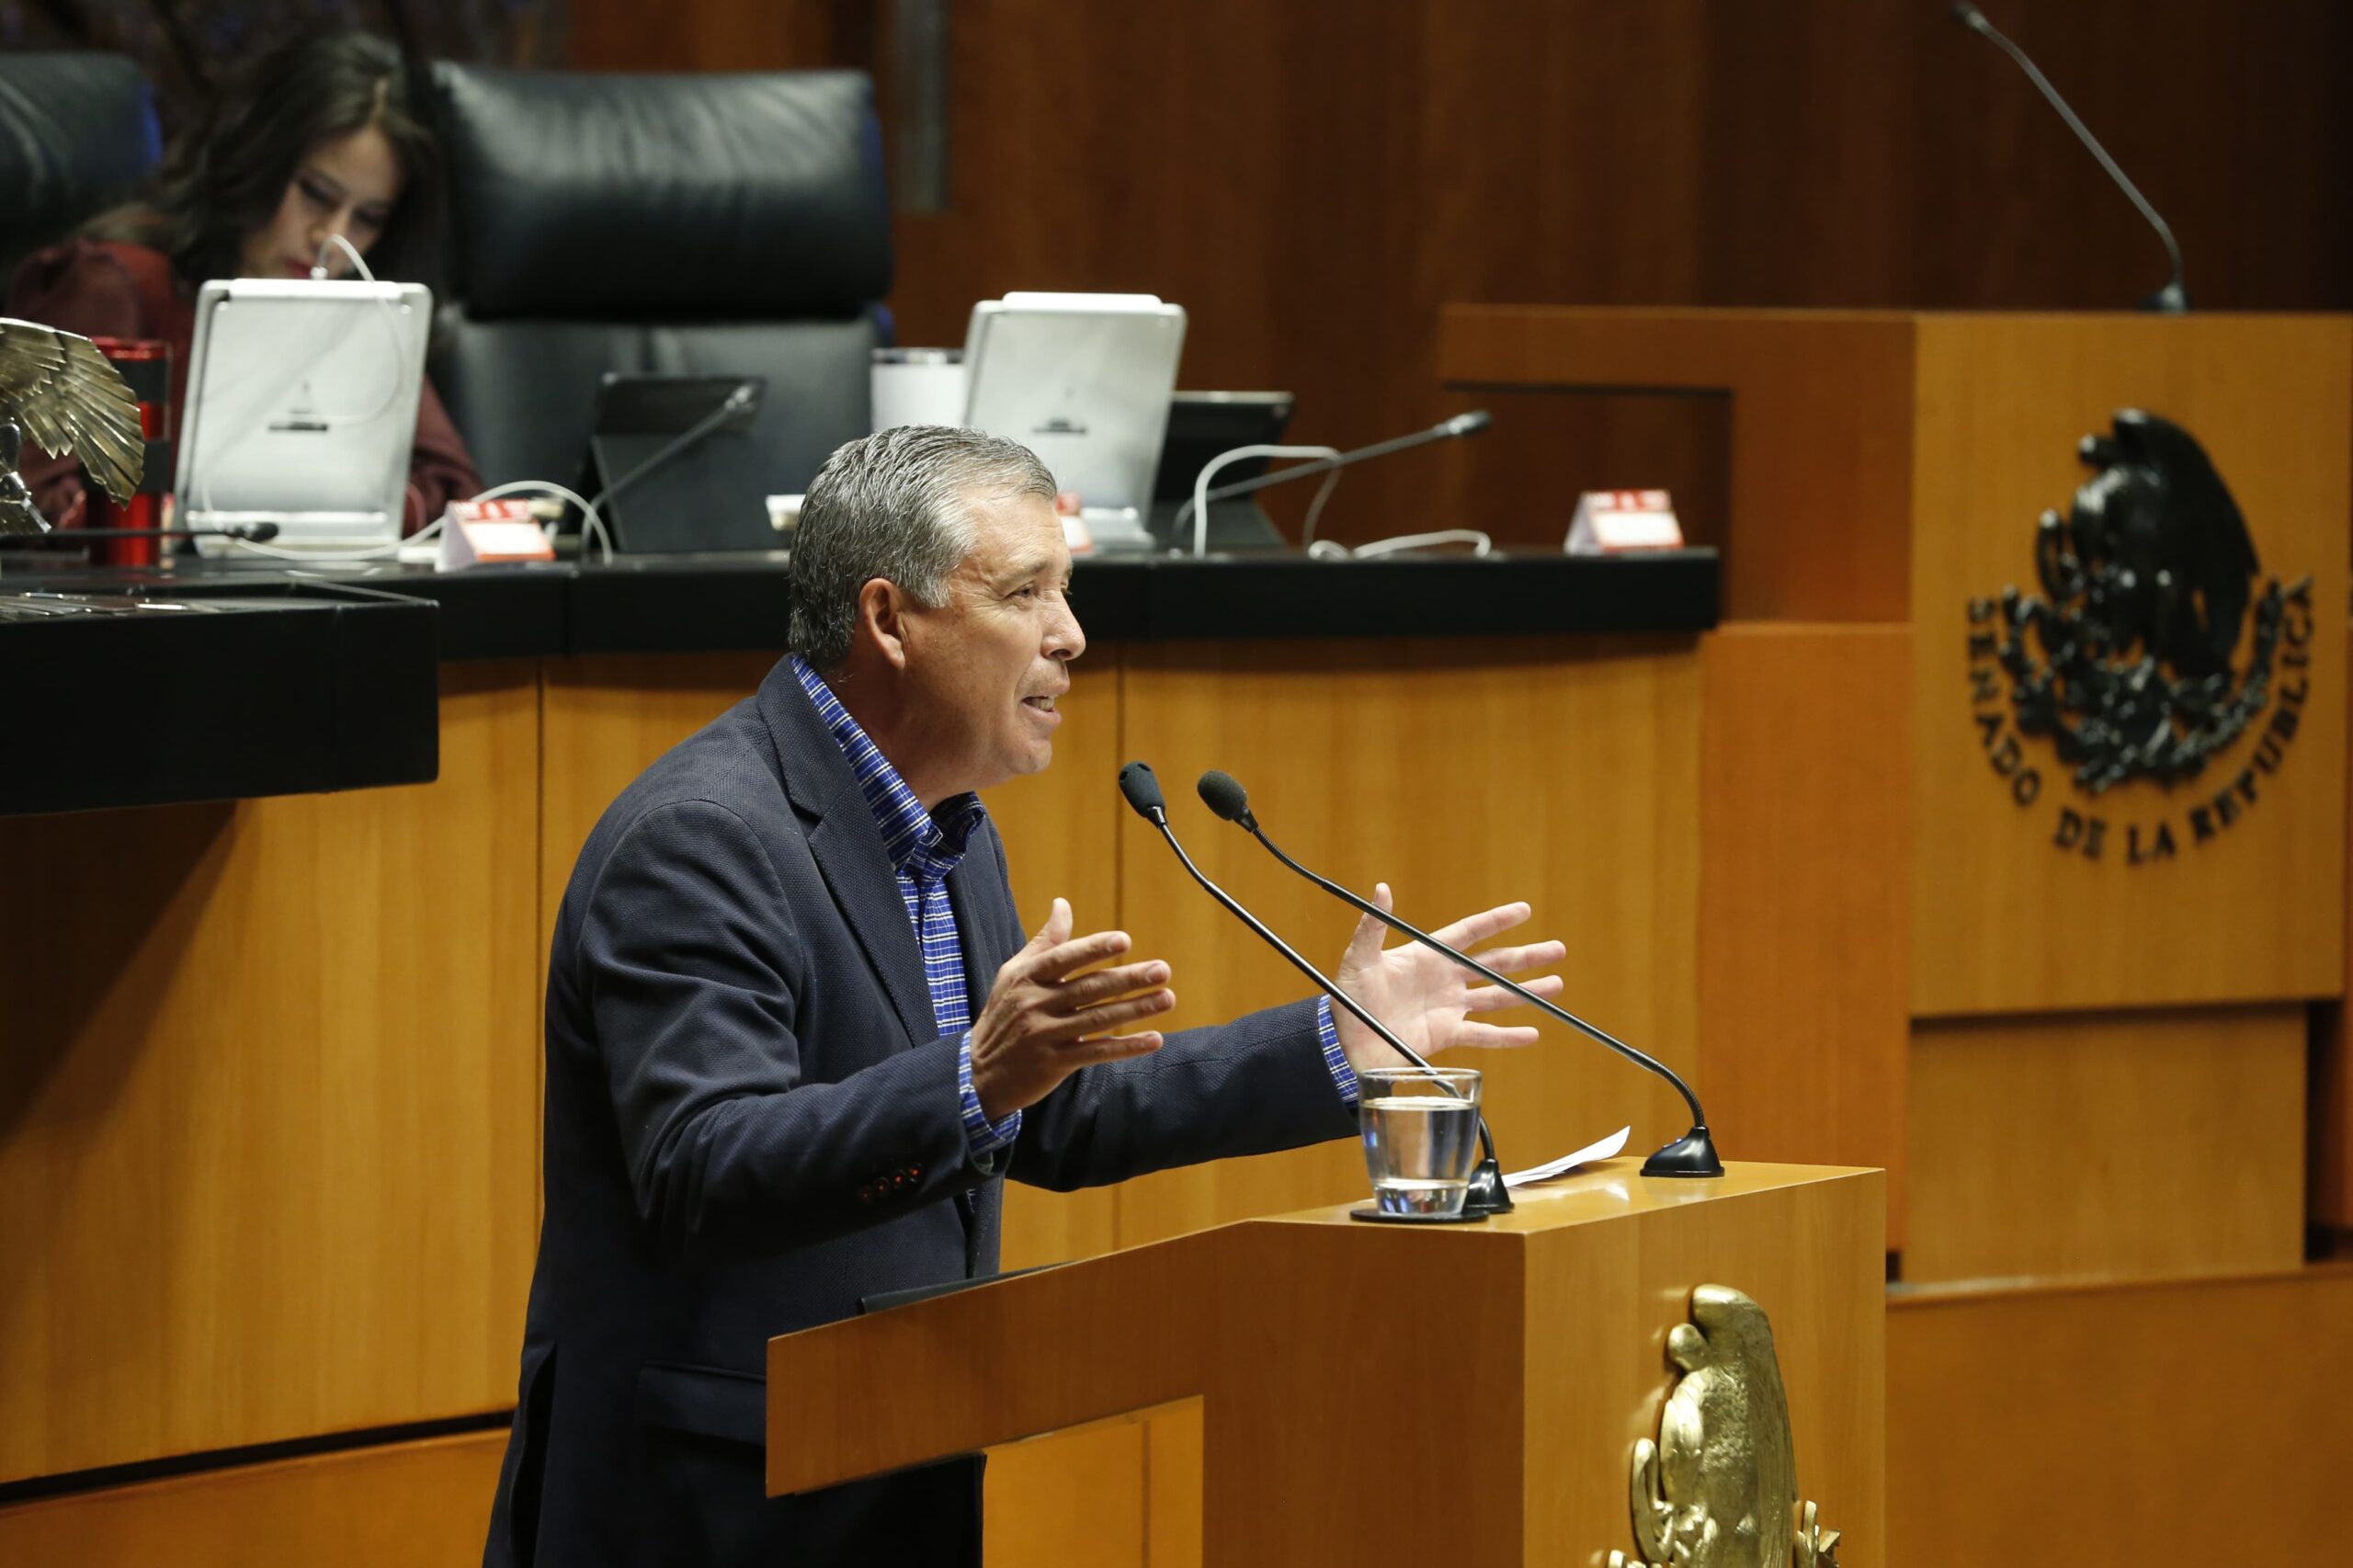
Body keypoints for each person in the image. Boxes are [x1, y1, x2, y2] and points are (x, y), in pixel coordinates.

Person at [483, 425, 1566, 1567]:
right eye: (1024, 592)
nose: (1071, 634)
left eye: (1066, 589)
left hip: (893, 1470)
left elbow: (1048, 1112)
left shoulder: (948, 831)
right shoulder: (702, 838)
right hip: (706, 1506)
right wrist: (974, 1075)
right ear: (888, 619)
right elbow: (698, 1167)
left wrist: (1338, 1044)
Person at [5, 30, 480, 535]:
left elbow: (455, 492)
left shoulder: (363, 308)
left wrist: (320, 513)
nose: (333, 238)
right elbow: (27, 499)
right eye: (316, 194)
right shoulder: (117, 282)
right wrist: (193, 523)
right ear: (257, 160)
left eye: (368, 218)